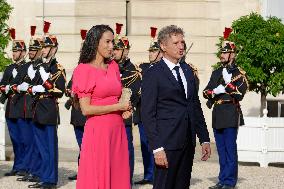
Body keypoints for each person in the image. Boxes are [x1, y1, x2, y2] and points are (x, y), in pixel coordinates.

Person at [141, 25, 211, 189]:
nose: (181, 46)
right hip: (166, 142)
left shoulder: (187, 71)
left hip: (187, 141)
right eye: (176, 43)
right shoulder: (153, 73)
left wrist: (204, 138)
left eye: (182, 42)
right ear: (163, 46)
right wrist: (157, 148)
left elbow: (194, 106)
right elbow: (147, 113)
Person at [72, 25, 131, 189]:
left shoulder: (113, 66)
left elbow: (116, 97)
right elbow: (86, 109)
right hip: (98, 132)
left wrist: (125, 108)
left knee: (118, 178)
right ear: (95, 42)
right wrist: (117, 106)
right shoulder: (83, 70)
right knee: (97, 179)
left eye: (113, 42)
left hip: (117, 130)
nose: (112, 46)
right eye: (107, 42)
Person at [204, 28, 248, 189]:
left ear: (232, 55)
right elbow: (205, 92)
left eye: (225, 53)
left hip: (230, 112)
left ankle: (230, 181)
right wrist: (215, 91)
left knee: (230, 149)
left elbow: (240, 94)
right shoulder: (216, 73)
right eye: (221, 53)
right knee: (221, 151)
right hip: (218, 113)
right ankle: (222, 179)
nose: (221, 55)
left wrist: (228, 86)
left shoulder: (239, 74)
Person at [27, 21, 66, 189]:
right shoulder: (40, 66)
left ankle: (50, 180)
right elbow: (32, 86)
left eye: (46, 47)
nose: (43, 50)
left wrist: (45, 80)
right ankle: (43, 175)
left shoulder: (57, 68)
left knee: (49, 147)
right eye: (42, 47)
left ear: (54, 49)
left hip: (49, 109)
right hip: (37, 108)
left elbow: (59, 91)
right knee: (40, 146)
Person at [113, 23, 141, 185]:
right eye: (113, 49)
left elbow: (134, 95)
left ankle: (126, 181)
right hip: (109, 115)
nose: (114, 52)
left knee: (125, 151)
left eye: (117, 49)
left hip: (124, 116)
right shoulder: (108, 68)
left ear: (126, 51)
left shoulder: (133, 72)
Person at [16, 26, 44, 183]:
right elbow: (19, 82)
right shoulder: (27, 66)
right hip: (26, 108)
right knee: (29, 142)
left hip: (37, 108)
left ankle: (37, 171)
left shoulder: (41, 67)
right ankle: (32, 169)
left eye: (35, 50)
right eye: (31, 50)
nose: (32, 52)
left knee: (36, 143)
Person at [134, 26, 162, 185]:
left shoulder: (163, 68)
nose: (150, 54)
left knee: (157, 145)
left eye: (153, 51)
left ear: (160, 53)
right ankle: (148, 174)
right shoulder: (142, 68)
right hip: (143, 112)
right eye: (150, 51)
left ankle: (159, 175)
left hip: (157, 114)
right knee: (145, 145)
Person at [0, 28, 27, 177]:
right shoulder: (9, 68)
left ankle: (25, 166)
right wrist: (10, 87)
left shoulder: (28, 67)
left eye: (16, 51)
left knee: (24, 139)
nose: (14, 54)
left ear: (23, 52)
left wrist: (11, 87)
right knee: (15, 139)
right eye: (13, 51)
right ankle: (17, 166)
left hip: (22, 107)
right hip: (11, 107)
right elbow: (2, 85)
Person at [65, 29, 87, 181]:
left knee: (87, 147)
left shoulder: (91, 69)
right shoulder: (78, 68)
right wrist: (70, 91)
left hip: (86, 114)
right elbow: (69, 86)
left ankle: (87, 171)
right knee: (82, 146)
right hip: (76, 114)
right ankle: (82, 170)